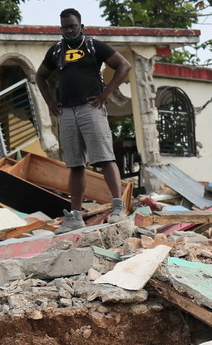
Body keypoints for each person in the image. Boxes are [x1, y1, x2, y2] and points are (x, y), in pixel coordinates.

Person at [35, 8, 131, 232]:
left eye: (73, 26)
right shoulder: (56, 50)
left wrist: (106, 93)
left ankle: (118, 207)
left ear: (81, 26)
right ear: (61, 29)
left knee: (105, 158)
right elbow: (40, 76)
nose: (69, 30)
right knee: (75, 165)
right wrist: (50, 102)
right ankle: (75, 217)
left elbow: (123, 65)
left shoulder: (93, 45)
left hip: (91, 108)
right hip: (67, 112)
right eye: (65, 27)